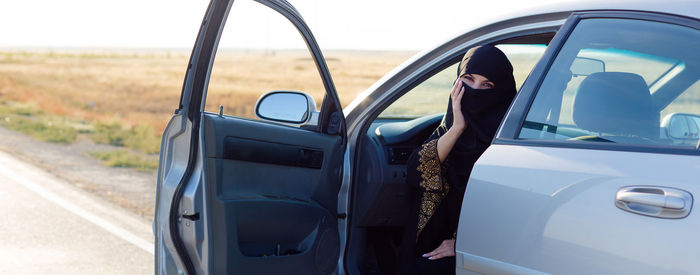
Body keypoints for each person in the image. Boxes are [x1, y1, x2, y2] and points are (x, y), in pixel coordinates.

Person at [402, 45, 517, 274]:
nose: (474, 90)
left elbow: (509, 210)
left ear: (501, 91)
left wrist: (464, 243)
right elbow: (416, 173)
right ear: (457, 83)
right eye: (468, 79)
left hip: (479, 249)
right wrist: (457, 128)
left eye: (487, 85)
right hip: (430, 247)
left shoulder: (508, 142)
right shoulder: (448, 128)